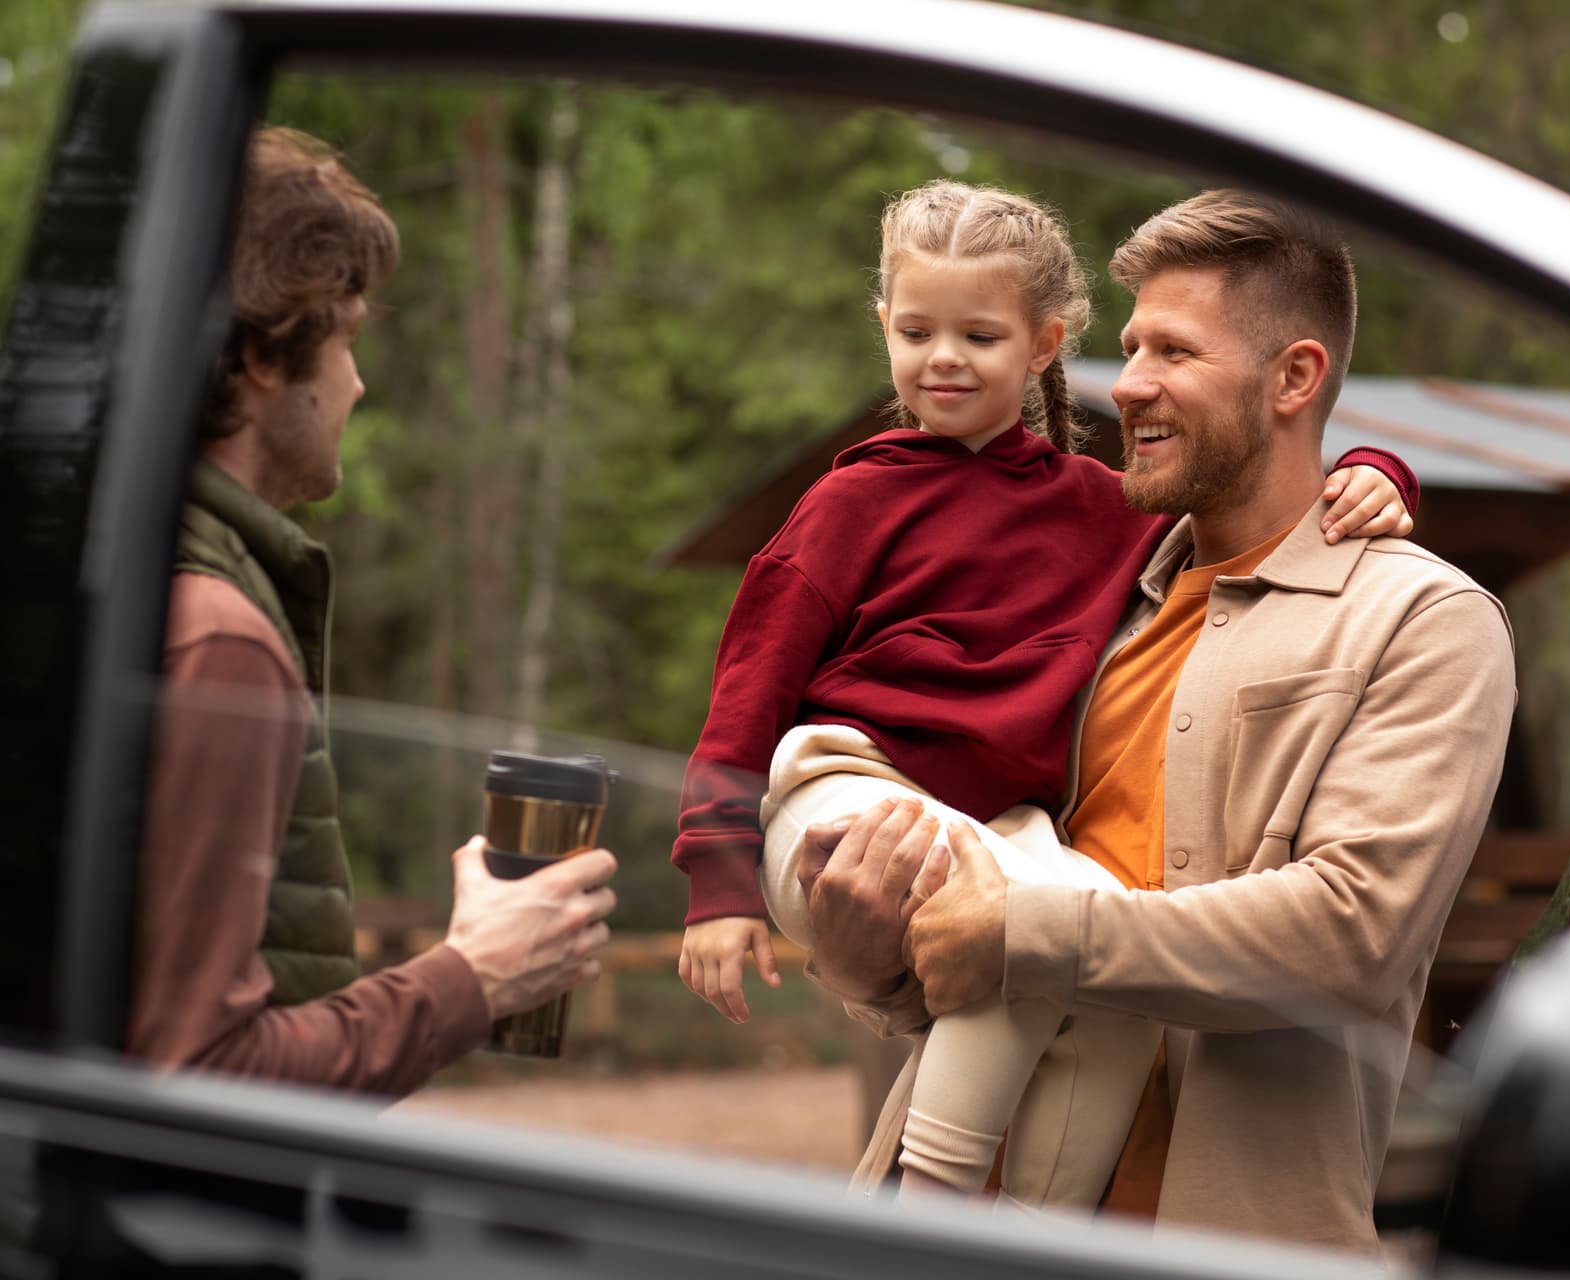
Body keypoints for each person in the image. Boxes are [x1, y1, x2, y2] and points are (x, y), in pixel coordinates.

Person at [670, 180, 1419, 1211]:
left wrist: (1376, 469)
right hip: (841, 784)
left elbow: (1258, 507)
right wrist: (716, 885)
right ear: (883, 326)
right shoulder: (850, 501)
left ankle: (1034, 1229)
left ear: (1042, 345)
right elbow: (747, 694)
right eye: (917, 329)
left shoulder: (1100, 508)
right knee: (1037, 923)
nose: (943, 357)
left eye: (978, 333)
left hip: (993, 822)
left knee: (1096, 959)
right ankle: (934, 1209)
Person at [126, 125, 618, 1097]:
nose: (359, 380)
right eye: (347, 335)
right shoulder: (219, 635)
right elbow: (198, 1079)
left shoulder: (135, 569)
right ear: (266, 355)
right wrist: (471, 976)